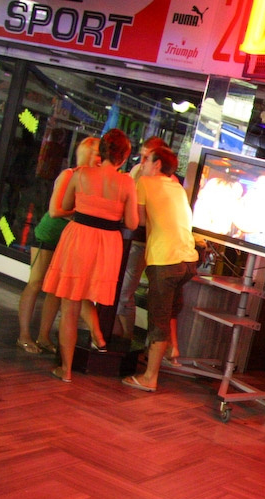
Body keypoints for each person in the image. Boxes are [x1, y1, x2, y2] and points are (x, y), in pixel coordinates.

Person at [42, 128, 138, 383]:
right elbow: (131, 222)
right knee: (91, 297)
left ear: (102, 151)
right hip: (107, 244)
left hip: (78, 237)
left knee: (69, 307)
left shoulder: (81, 174)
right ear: (124, 156)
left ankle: (66, 368)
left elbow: (65, 206)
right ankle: (96, 337)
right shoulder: (127, 182)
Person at [122, 146, 199, 392]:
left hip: (165, 259)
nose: (142, 163)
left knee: (158, 319)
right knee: (169, 311)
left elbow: (138, 220)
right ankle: (169, 350)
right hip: (188, 260)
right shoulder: (177, 187)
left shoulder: (145, 182)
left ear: (157, 165)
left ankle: (150, 378)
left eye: (147, 159)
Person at [16, 136, 100, 354]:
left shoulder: (93, 180)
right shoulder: (69, 174)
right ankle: (24, 335)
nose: (101, 159)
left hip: (69, 239)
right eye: (97, 154)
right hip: (49, 234)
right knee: (36, 282)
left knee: (55, 289)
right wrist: (79, 214)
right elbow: (55, 211)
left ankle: (44, 336)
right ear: (86, 154)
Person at [113, 135, 168, 339]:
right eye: (142, 156)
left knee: (124, 293)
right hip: (124, 236)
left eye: (147, 157)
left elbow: (145, 218)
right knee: (116, 290)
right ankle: (116, 336)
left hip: (140, 241)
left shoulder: (164, 182)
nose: (143, 161)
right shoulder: (137, 171)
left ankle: (125, 338)